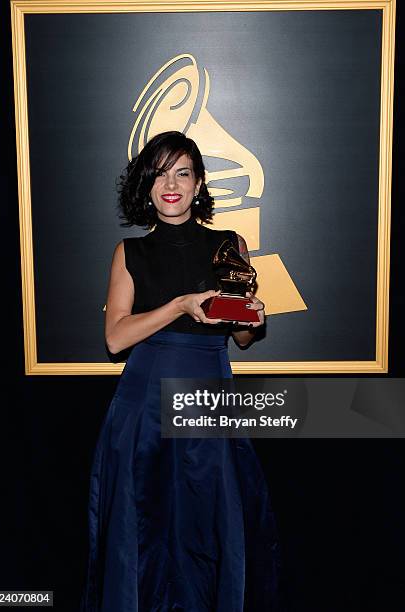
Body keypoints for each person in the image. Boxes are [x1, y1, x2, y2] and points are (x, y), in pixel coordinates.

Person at [80, 131, 280, 611]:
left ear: (198, 183)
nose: (171, 183)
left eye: (182, 173)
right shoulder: (129, 253)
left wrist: (253, 317)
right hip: (144, 405)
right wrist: (179, 306)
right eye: (160, 173)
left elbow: (243, 339)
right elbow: (116, 338)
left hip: (209, 394)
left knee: (209, 526)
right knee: (144, 527)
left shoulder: (230, 245)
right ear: (146, 185)